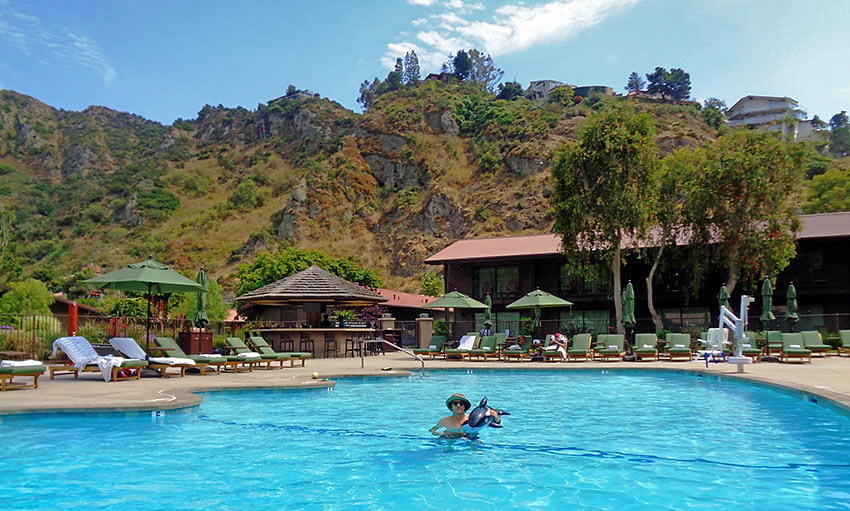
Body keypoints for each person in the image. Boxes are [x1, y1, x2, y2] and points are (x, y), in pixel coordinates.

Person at [429, 393, 500, 438]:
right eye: (455, 403)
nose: (458, 405)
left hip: (470, 439)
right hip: (450, 440)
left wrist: (496, 417)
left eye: (461, 403)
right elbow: (432, 430)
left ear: (465, 406)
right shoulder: (444, 421)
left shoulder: (473, 419)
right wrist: (441, 434)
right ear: (451, 407)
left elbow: (492, 424)